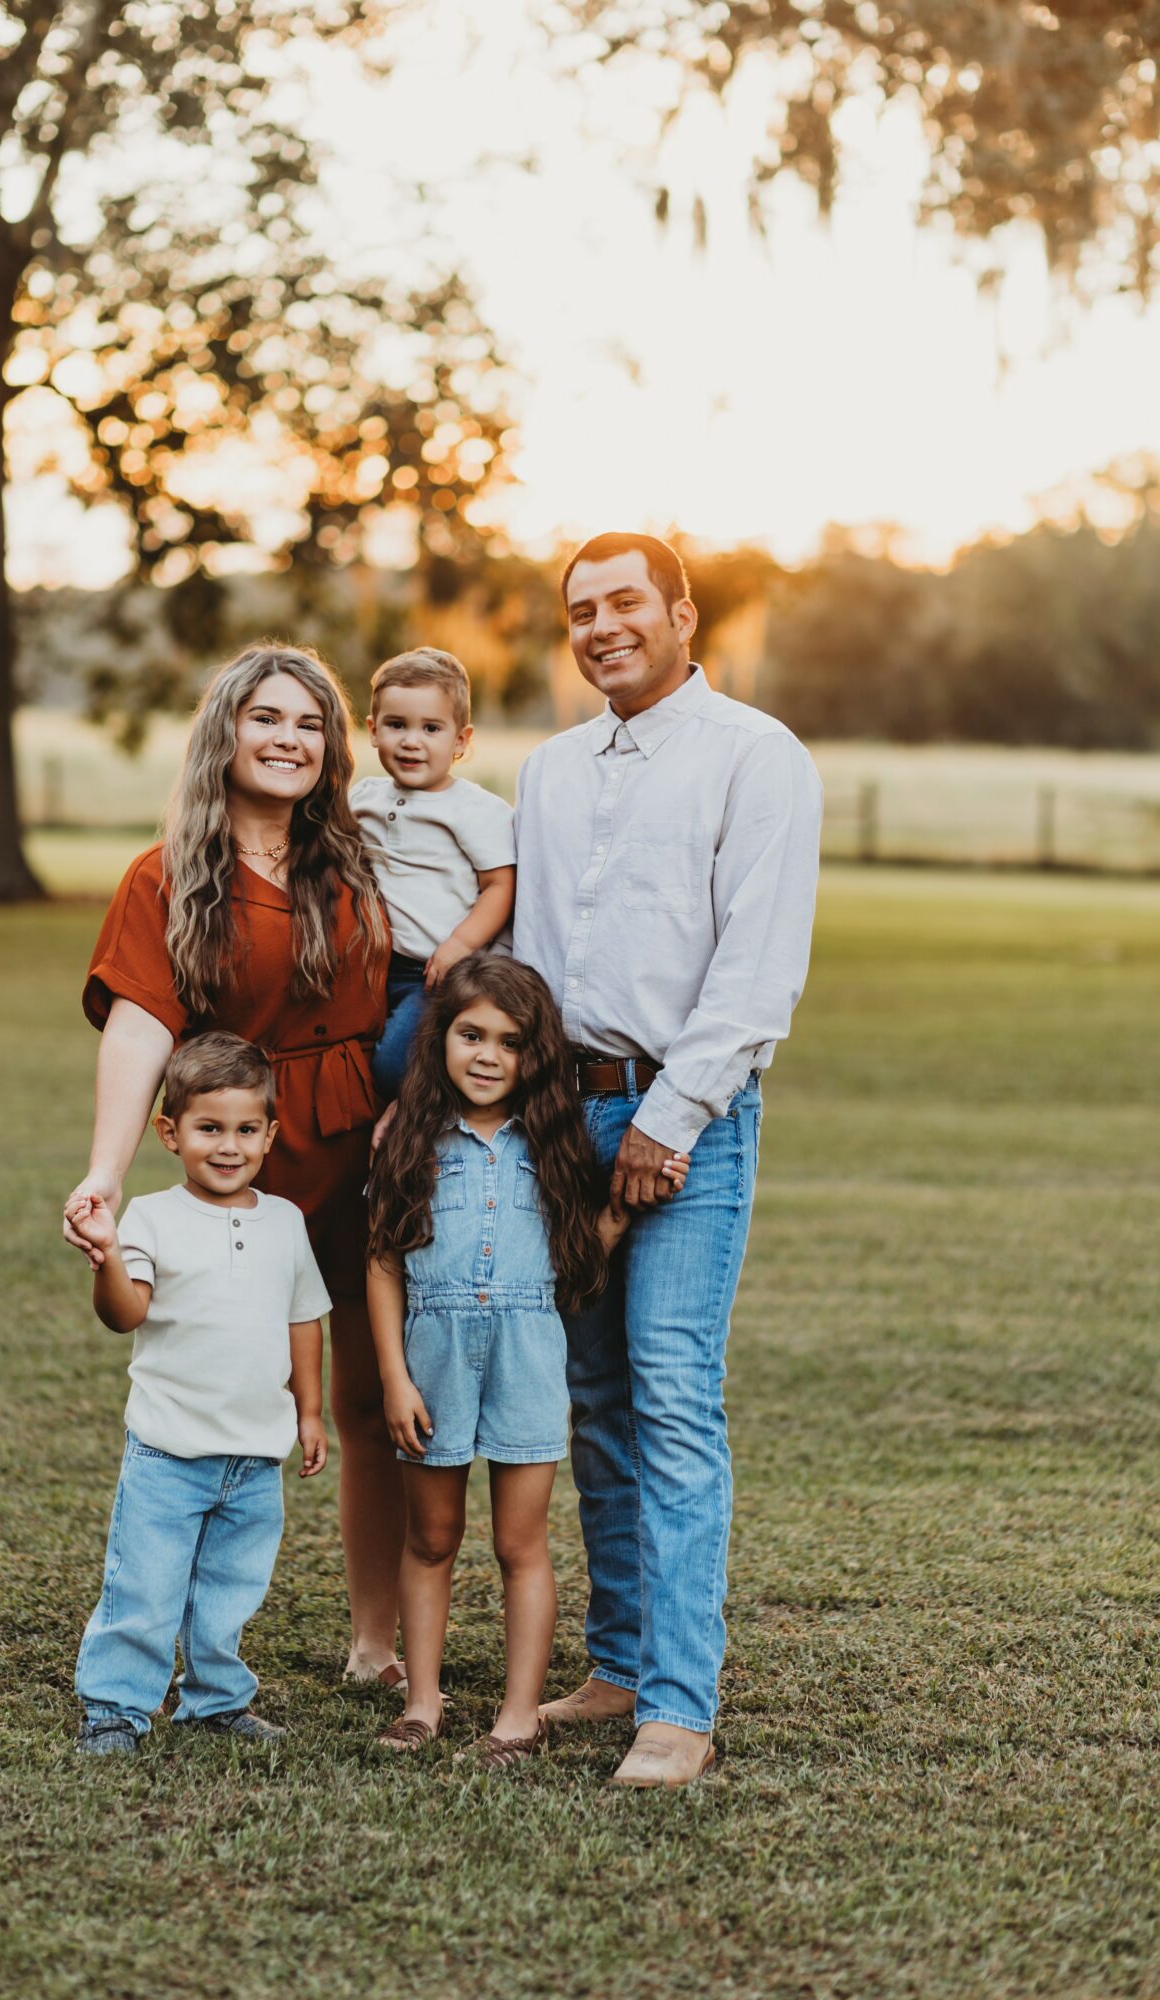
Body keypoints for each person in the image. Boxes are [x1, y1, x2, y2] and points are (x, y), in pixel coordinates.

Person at [514, 532, 822, 1789]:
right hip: (559, 1118)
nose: (600, 626)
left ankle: (679, 1707)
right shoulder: (547, 768)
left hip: (684, 1119)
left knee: (672, 1394)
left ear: (683, 611)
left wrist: (668, 1118)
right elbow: (530, 954)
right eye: (580, 609)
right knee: (590, 1398)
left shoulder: (757, 756)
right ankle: (622, 1659)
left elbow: (757, 966)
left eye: (625, 600)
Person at [63, 644, 407, 1691]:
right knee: (198, 1391)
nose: (288, 738)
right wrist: (106, 1175)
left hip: (358, 1143)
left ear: (330, 747)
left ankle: (375, 1641)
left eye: (308, 723)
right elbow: (137, 1026)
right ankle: (161, 1644)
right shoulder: (165, 873)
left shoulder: (361, 857)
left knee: (362, 1397)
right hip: (237, 1157)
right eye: (266, 717)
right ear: (225, 729)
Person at [365, 953, 688, 1766]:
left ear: (533, 1057)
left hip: (527, 1357)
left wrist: (626, 1202)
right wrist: (394, 1378)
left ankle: (517, 1717)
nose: (485, 1056)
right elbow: (381, 1262)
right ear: (439, 1038)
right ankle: (423, 1703)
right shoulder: (407, 1137)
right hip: (431, 1355)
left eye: (509, 1043)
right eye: (470, 1035)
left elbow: (578, 1266)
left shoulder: (554, 1145)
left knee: (521, 1545)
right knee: (431, 1537)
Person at [67, 1033, 331, 1755]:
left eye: (246, 1129)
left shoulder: (284, 1222)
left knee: (229, 1591)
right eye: (209, 1128)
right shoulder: (152, 1218)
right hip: (168, 1450)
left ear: (270, 1134)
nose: (228, 1145)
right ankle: (117, 1707)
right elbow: (125, 1313)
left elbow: (303, 1318)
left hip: (253, 1455)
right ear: (169, 1132)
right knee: (144, 1589)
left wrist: (309, 1411)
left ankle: (215, 1701)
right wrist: (107, 1257)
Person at [351, 647, 516, 1099]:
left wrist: (459, 946)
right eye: (396, 725)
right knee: (357, 1057)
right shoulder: (363, 799)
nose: (411, 741)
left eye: (431, 729)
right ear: (372, 730)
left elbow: (500, 886)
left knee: (392, 1067)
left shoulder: (474, 810)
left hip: (441, 970)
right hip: (377, 966)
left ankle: (424, 1118)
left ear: (460, 740)